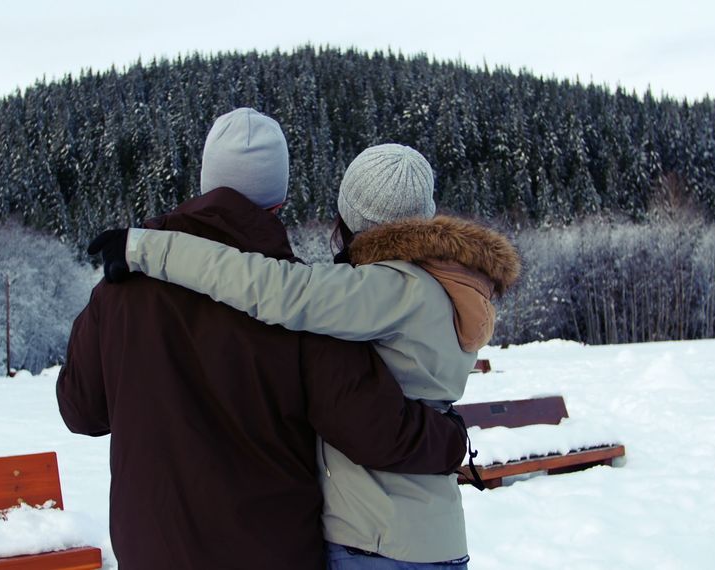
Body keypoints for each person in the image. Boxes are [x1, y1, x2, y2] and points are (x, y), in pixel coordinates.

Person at [57, 109, 468, 569]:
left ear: (207, 183)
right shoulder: (302, 307)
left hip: (152, 550)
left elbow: (80, 411)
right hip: (273, 549)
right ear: (279, 202)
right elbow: (372, 428)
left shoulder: (119, 289)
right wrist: (452, 439)